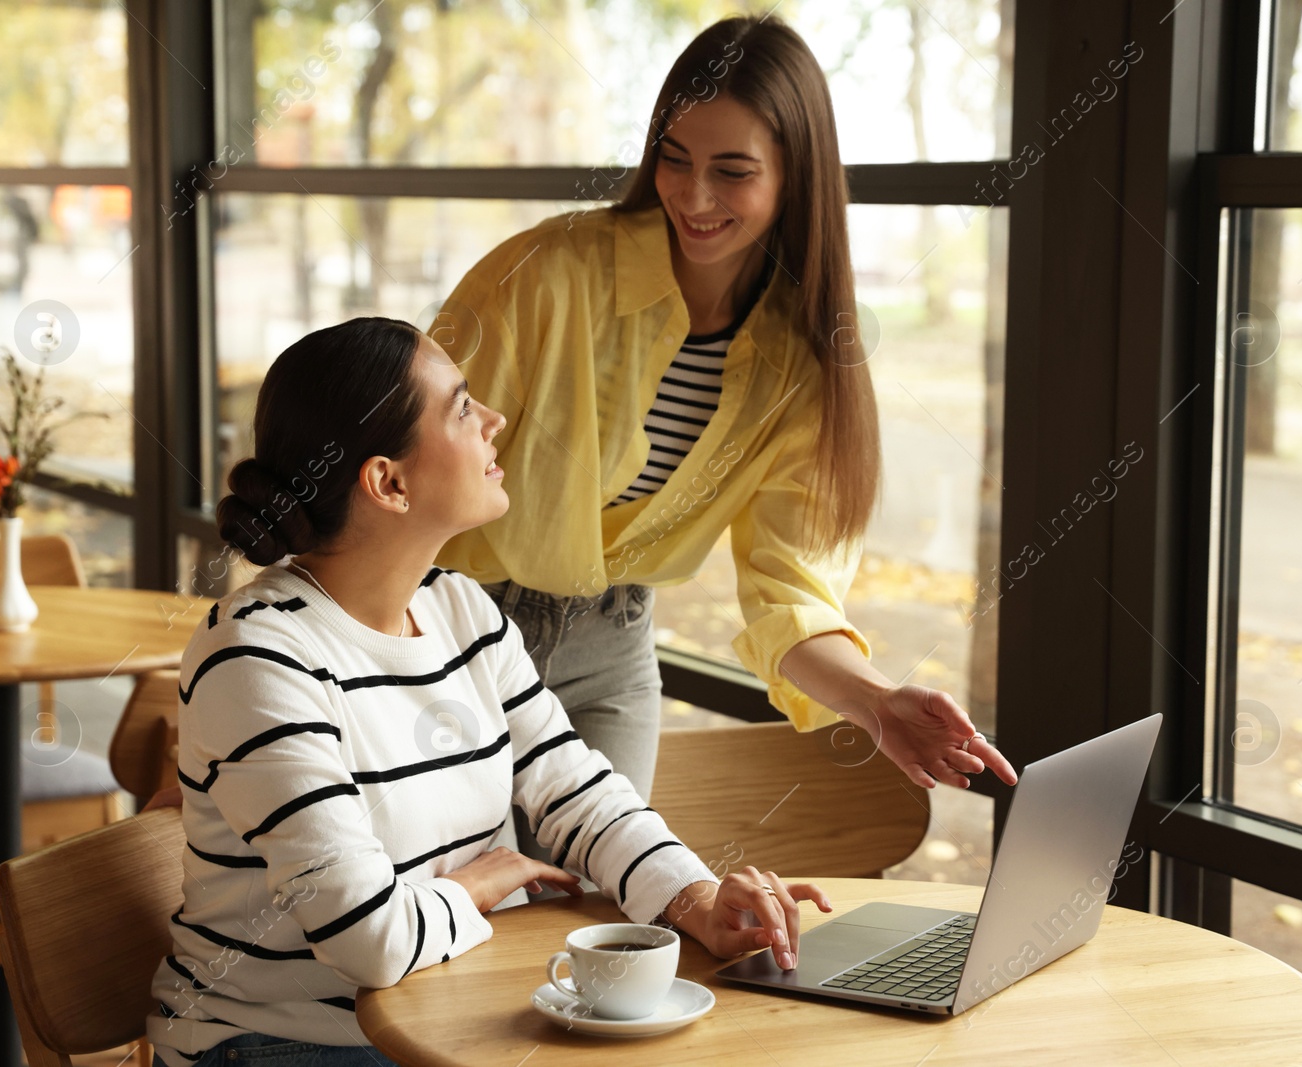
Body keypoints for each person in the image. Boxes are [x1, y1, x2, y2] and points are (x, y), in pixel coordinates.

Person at [147, 317, 831, 1067]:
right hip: (282, 1040)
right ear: (389, 482)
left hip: (452, 1010)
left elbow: (580, 792)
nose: (496, 422)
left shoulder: (460, 609)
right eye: (464, 407)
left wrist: (693, 900)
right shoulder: (257, 658)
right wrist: (477, 884)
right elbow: (366, 941)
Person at [432, 14, 1016, 878]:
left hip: (614, 652)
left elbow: (791, 593)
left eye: (733, 171)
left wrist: (875, 701)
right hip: (458, 630)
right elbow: (398, 464)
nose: (693, 196)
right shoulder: (545, 273)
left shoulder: (806, 363)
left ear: (795, 179)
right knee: (462, 919)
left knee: (597, 914)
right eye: (675, 158)